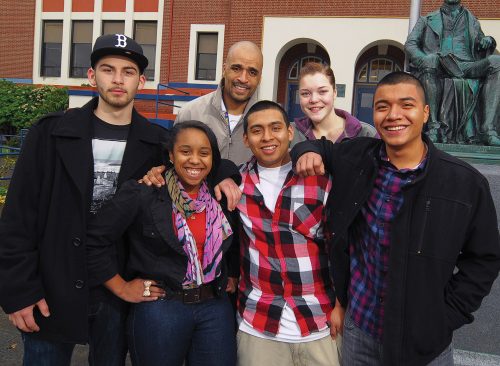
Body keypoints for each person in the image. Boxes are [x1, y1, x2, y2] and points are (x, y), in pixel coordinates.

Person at [0, 34, 237, 366]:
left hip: (116, 289)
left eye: (127, 71)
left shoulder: (156, 142)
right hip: (51, 287)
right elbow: (17, 218)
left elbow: (197, 159)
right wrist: (18, 291)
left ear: (140, 81)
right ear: (91, 75)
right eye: (108, 69)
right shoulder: (50, 134)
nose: (117, 79)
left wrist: (226, 173)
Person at [291, 71, 500, 365]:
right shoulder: (357, 157)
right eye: (382, 106)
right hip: (359, 331)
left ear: (426, 113)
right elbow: (321, 146)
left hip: (423, 343)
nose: (393, 115)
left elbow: (484, 259)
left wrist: (447, 316)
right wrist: (305, 150)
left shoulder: (464, 183)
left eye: (406, 105)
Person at [86, 121, 240, 366]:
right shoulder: (145, 192)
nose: (195, 161)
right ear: (170, 154)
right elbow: (95, 239)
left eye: (204, 153)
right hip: (162, 308)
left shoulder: (218, 196)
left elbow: (234, 238)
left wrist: (230, 273)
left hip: (214, 306)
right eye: (185, 151)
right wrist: (120, 287)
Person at [236, 101, 342, 366]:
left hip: (320, 322)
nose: (268, 137)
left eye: (275, 128)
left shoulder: (320, 177)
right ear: (246, 139)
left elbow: (342, 246)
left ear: (290, 132)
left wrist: (342, 304)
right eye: (257, 131)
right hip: (258, 325)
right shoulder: (237, 184)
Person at [405, 0, 500, 146]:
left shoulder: (472, 19)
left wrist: (488, 41)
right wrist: (423, 59)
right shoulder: (427, 20)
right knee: (430, 61)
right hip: (440, 62)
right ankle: (433, 127)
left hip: (467, 65)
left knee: (496, 61)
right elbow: (411, 44)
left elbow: (480, 41)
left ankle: (487, 129)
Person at [175, 41, 263, 165]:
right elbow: (173, 165)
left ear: (260, 78)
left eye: (252, 72)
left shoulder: (267, 121)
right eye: (236, 68)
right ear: (224, 69)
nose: (243, 78)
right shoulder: (190, 113)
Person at [292, 62, 376, 145]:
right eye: (305, 93)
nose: (313, 100)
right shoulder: (289, 132)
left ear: (335, 93)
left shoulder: (367, 134)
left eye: (322, 91)